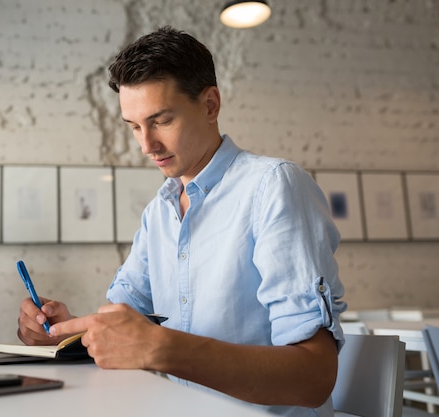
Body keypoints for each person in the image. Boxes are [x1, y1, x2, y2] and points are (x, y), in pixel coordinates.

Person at [17, 26, 346, 417]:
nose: (146, 145)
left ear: (210, 105)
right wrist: (63, 331)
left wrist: (163, 348)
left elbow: (313, 378)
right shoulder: (160, 210)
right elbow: (128, 324)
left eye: (161, 120)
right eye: (135, 127)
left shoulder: (273, 187)